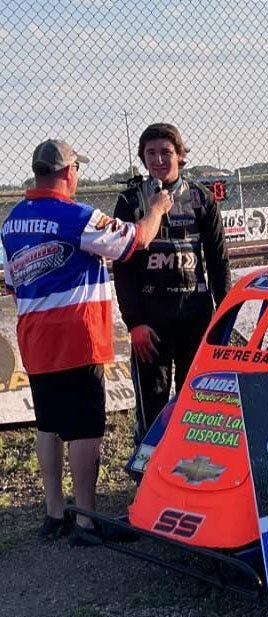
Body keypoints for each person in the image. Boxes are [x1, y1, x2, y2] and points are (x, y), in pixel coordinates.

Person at [0, 139, 172, 544]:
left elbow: (11, 283)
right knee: (86, 430)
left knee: (49, 426)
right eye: (76, 168)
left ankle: (55, 512)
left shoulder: (11, 222)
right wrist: (156, 210)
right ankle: (87, 521)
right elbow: (137, 241)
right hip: (77, 337)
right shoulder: (77, 216)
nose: (78, 175)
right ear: (66, 172)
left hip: (36, 339)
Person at [112, 123, 231, 447]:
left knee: (199, 402)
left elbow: (219, 261)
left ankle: (194, 476)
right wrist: (134, 323)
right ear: (142, 158)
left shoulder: (201, 197)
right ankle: (148, 480)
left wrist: (225, 316)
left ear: (180, 155)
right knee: (153, 408)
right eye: (151, 153)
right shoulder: (130, 199)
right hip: (152, 322)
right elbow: (122, 267)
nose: (158, 160)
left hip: (196, 315)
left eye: (166, 152)